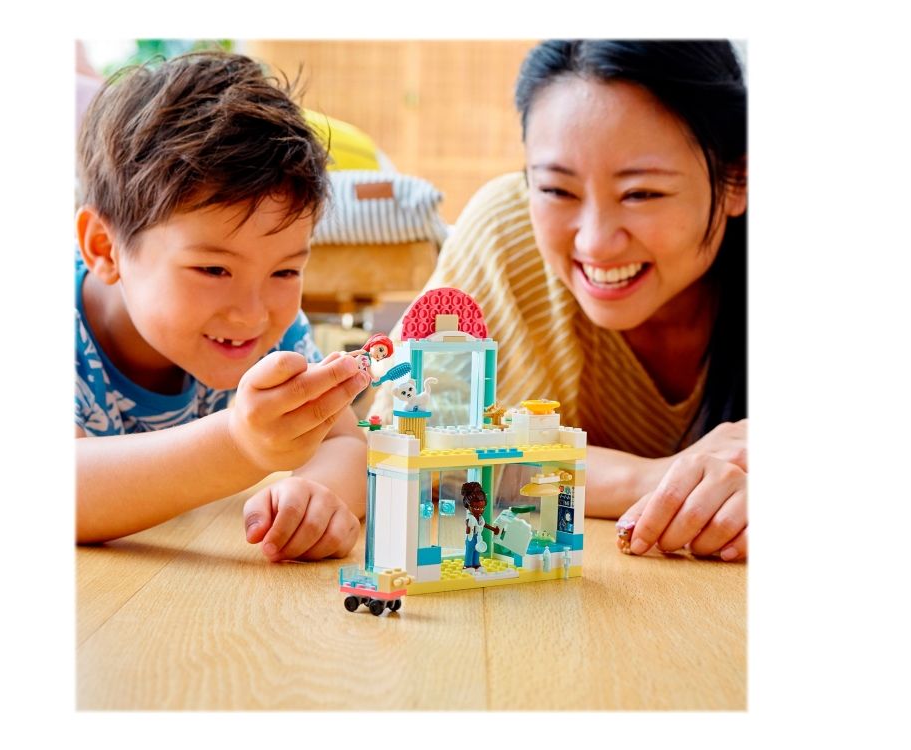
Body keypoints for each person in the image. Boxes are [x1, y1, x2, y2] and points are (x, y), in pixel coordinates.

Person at [371, 40, 747, 561]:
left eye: (641, 194)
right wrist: (653, 479)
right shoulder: (507, 232)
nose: (595, 242)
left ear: (738, 179)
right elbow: (398, 445)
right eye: (556, 190)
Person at [75, 51, 372, 560]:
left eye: (285, 272)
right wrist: (239, 445)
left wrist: (315, 496)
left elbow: (343, 442)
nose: (252, 314)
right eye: (214, 270)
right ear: (105, 248)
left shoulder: (275, 330)